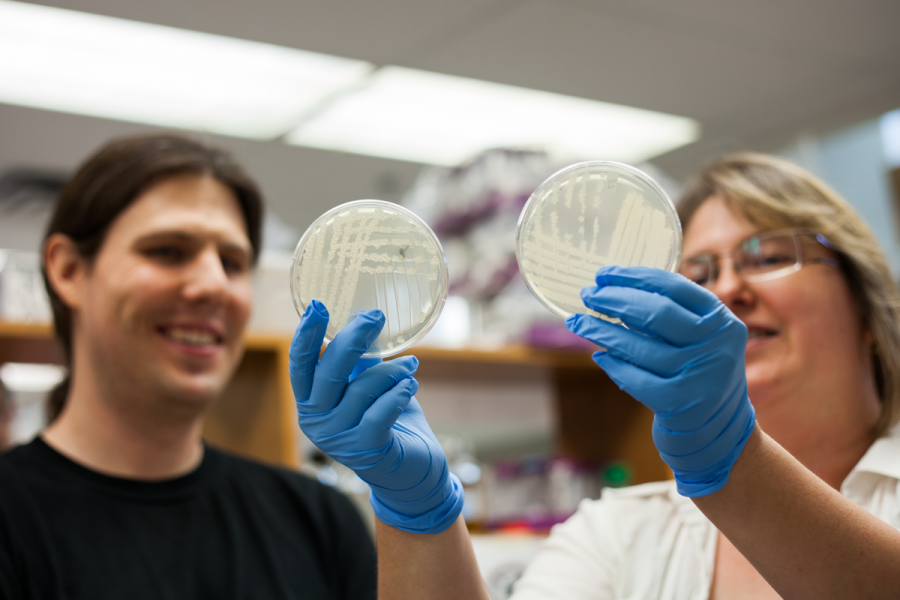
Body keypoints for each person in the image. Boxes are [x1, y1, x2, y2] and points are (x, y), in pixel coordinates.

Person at [289, 153, 900, 599]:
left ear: (868, 303)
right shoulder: (619, 531)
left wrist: (737, 465)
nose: (727, 292)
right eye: (698, 272)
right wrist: (419, 514)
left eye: (766, 257)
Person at [0, 133, 377, 599]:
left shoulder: (319, 520)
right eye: (167, 251)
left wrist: (427, 525)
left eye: (232, 262)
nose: (214, 285)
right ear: (69, 271)